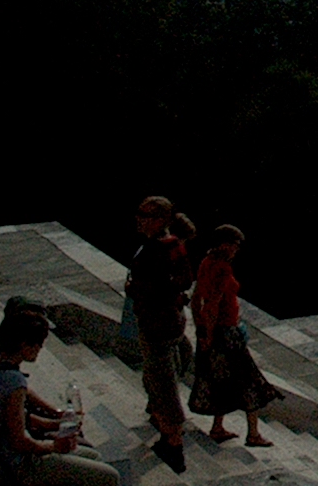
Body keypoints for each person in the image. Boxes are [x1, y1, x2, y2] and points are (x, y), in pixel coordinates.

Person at [0, 310, 116, 486]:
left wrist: (56, 422)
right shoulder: (14, 383)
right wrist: (54, 447)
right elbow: (19, 441)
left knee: (93, 456)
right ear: (25, 345)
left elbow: (15, 419)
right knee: (110, 476)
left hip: (0, 455)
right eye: (39, 343)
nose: (40, 349)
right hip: (18, 464)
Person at [188, 226, 282, 447]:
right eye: (234, 244)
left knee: (219, 378)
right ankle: (253, 434)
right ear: (224, 244)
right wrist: (208, 334)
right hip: (225, 333)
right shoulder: (222, 269)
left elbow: (196, 299)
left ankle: (218, 427)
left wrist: (201, 329)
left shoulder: (206, 262)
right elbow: (213, 303)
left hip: (212, 330)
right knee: (249, 381)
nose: (236, 249)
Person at [125, 198, 192, 474]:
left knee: (163, 380)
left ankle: (173, 443)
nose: (139, 219)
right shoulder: (171, 244)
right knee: (160, 372)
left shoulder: (156, 249)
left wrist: (135, 289)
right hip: (169, 321)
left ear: (161, 219)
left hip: (157, 325)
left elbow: (156, 288)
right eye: (139, 213)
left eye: (146, 215)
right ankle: (158, 414)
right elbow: (184, 279)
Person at [0, 298, 66, 435]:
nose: (40, 347)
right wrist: (56, 425)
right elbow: (10, 419)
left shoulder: (1, 350)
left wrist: (56, 412)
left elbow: (18, 391)